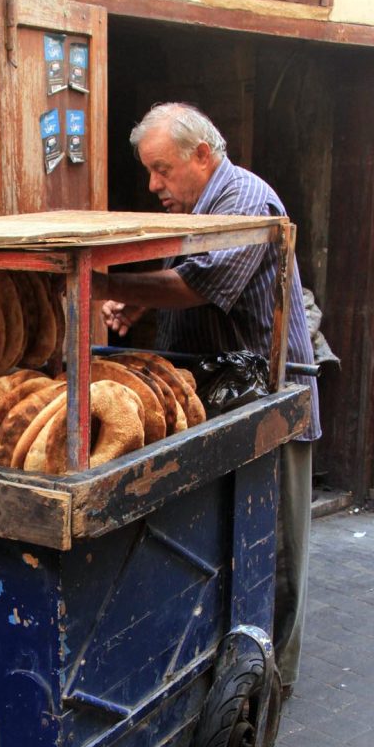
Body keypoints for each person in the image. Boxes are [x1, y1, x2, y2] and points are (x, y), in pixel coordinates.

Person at [95, 102, 321, 699]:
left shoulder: (243, 199)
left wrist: (108, 282)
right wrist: (142, 303)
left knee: (272, 550)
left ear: (202, 155)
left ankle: (268, 688)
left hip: (268, 401)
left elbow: (200, 284)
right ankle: (224, 672)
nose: (153, 185)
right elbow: (194, 284)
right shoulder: (203, 206)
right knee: (223, 545)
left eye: (162, 169)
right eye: (149, 171)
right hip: (219, 402)